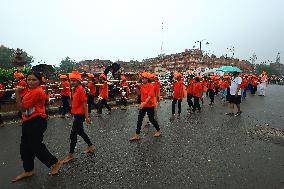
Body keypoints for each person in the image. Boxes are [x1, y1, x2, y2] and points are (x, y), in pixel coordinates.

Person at [12, 72, 62, 182]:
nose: (30, 82)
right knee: (25, 147)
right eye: (28, 79)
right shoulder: (30, 90)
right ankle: (28, 170)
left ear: (39, 81)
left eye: (33, 80)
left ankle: (55, 162)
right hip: (28, 121)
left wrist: (16, 93)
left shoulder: (37, 92)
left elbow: (22, 108)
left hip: (36, 121)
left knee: (35, 146)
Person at [63, 71, 95, 164]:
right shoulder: (75, 89)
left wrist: (87, 117)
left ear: (78, 81)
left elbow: (85, 104)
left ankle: (71, 154)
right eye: (71, 80)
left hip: (80, 115)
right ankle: (91, 146)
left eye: (74, 80)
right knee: (80, 132)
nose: (72, 82)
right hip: (76, 114)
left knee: (73, 134)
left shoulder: (80, 90)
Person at [130, 72, 161, 141]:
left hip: (150, 105)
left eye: (144, 79)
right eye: (142, 79)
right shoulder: (141, 85)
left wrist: (143, 103)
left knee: (151, 119)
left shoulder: (150, 86)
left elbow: (150, 96)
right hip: (143, 105)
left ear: (147, 79)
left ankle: (158, 130)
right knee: (139, 119)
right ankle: (137, 135)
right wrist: (136, 88)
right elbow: (139, 94)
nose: (142, 80)